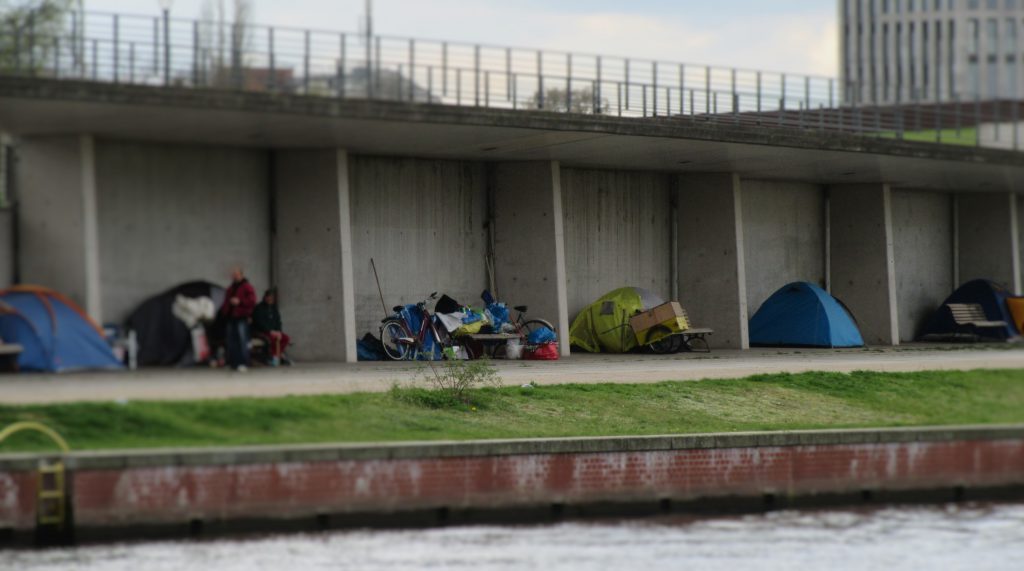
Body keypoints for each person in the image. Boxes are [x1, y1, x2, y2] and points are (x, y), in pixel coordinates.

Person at [220, 267, 257, 372]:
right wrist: (224, 312)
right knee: (231, 341)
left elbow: (252, 301)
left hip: (242, 317)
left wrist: (240, 301)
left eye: (237, 275)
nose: (235, 276)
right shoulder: (230, 288)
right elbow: (226, 302)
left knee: (242, 340)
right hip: (231, 318)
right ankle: (232, 363)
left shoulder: (247, 287)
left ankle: (243, 363)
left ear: (241, 275)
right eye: (234, 275)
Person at [252, 288, 291, 366]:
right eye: (268, 297)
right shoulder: (259, 308)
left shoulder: (274, 308)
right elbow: (259, 322)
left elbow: (278, 321)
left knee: (285, 338)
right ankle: (274, 357)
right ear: (265, 297)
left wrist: (279, 331)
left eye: (272, 298)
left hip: (275, 332)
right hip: (263, 331)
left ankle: (276, 355)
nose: (270, 299)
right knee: (272, 339)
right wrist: (270, 331)